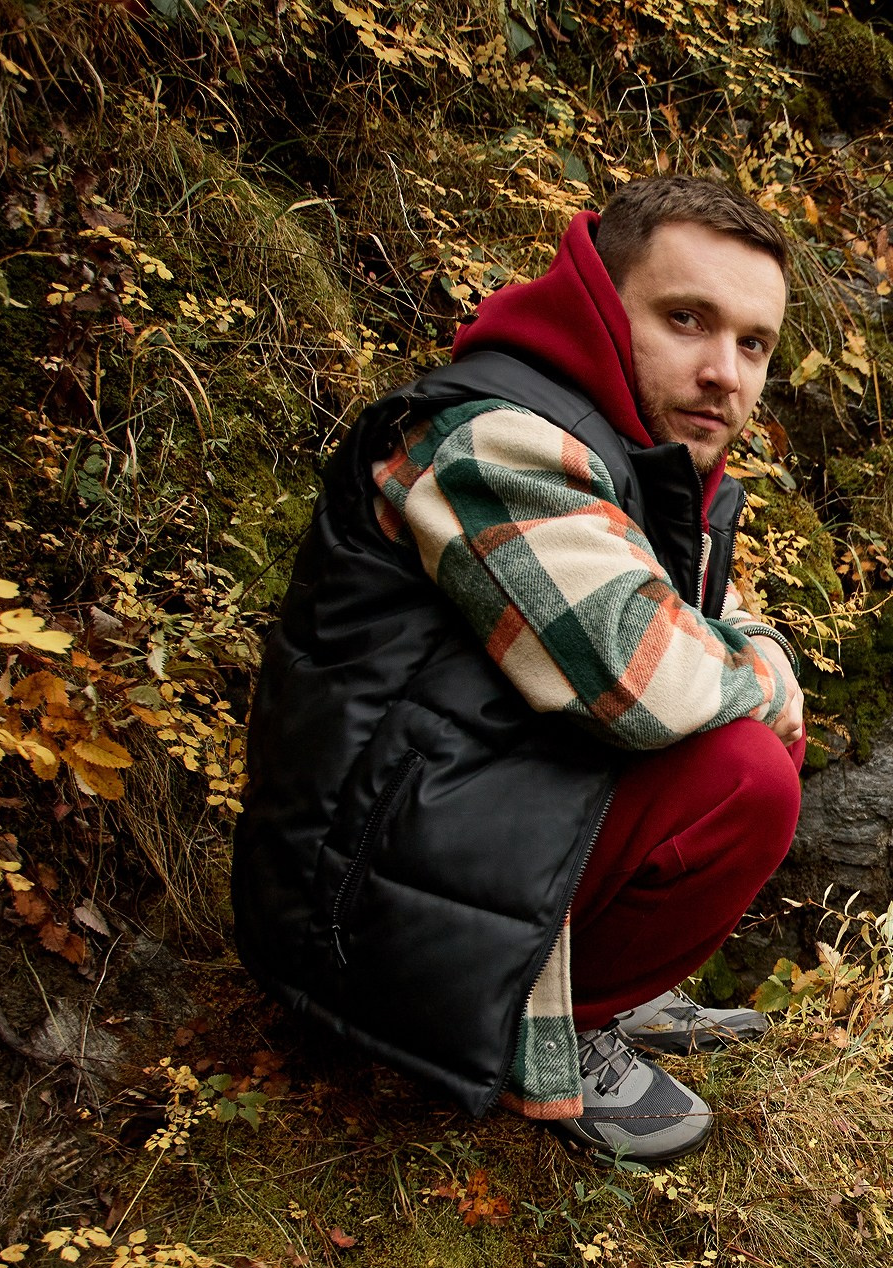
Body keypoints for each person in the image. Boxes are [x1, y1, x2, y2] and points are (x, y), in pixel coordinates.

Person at [234, 177, 808, 1163]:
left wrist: (749, 652)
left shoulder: (630, 444)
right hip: (343, 919)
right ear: (601, 300)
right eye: (686, 319)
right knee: (744, 772)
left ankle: (595, 986)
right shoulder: (499, 441)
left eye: (752, 343)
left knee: (739, 732)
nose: (725, 372)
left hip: (437, 831)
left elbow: (697, 614)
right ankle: (547, 1038)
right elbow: (647, 680)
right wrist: (767, 669)